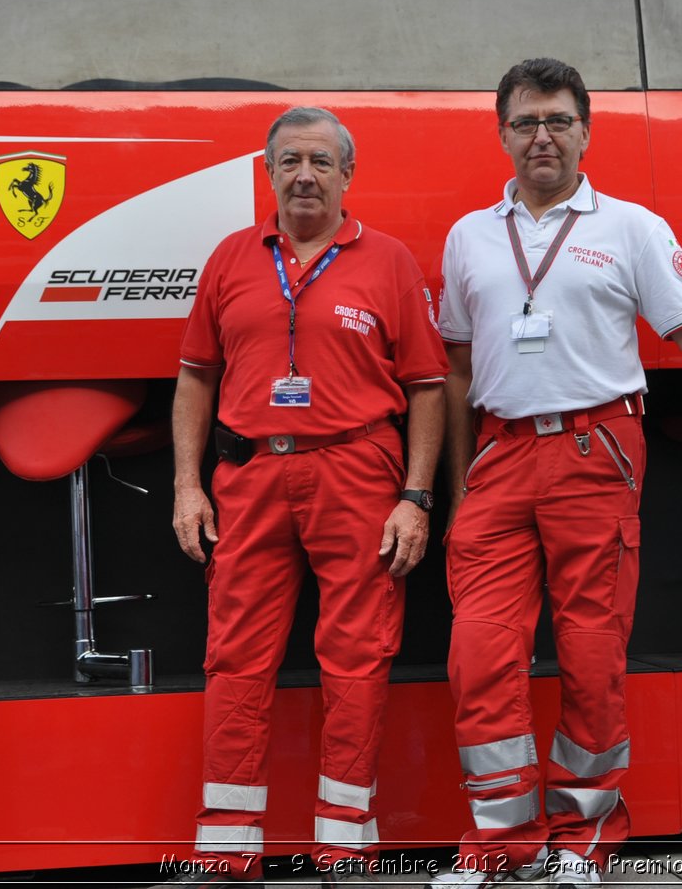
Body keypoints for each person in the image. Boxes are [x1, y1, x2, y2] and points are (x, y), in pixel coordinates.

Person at [432, 59, 682, 889]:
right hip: (496, 454)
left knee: (592, 654)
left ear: (586, 132)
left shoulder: (631, 227)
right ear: (502, 134)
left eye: (558, 120)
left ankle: (584, 840)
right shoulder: (468, 237)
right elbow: (455, 370)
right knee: (479, 652)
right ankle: (503, 845)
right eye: (526, 122)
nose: (543, 136)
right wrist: (460, 486)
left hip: (595, 452)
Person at [170, 106, 447, 886]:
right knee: (235, 656)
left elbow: (427, 388)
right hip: (249, 475)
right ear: (268, 171)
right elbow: (196, 376)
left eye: (322, 162)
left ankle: (345, 850)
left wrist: (416, 497)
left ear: (348, 176)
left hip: (357, 471)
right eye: (290, 160)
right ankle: (227, 854)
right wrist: (188, 485)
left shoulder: (389, 261)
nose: (304, 175)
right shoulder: (230, 260)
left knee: (357, 658)